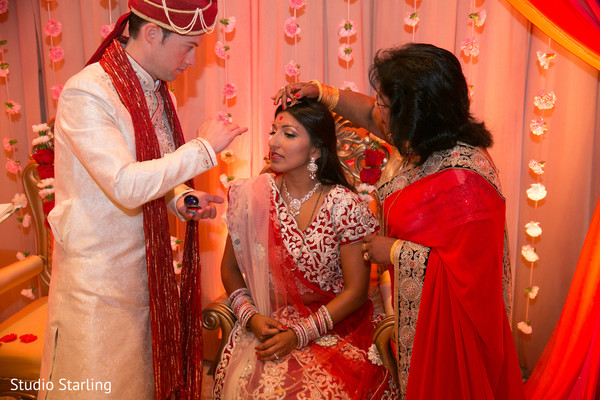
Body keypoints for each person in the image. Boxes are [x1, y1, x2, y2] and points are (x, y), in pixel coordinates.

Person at [275, 43, 525, 399]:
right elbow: (366, 113)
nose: (376, 109)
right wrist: (322, 92)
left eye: (385, 104)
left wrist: (395, 250)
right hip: (409, 311)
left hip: (454, 341)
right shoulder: (425, 143)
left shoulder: (464, 180)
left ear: (415, 114)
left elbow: (471, 282)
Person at [38, 1, 247, 399]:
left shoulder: (151, 90)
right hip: (97, 285)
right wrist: (204, 148)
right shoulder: (89, 92)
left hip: (148, 273)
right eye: (187, 47)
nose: (190, 61)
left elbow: (156, 173)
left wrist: (182, 199)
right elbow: (124, 183)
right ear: (152, 33)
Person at [212, 99, 397, 399]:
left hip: (335, 327)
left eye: (289, 133)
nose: (273, 141)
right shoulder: (253, 196)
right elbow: (230, 269)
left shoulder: (343, 205)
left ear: (315, 150)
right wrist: (251, 318)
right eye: (273, 131)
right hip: (267, 323)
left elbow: (356, 293)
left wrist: (299, 335)